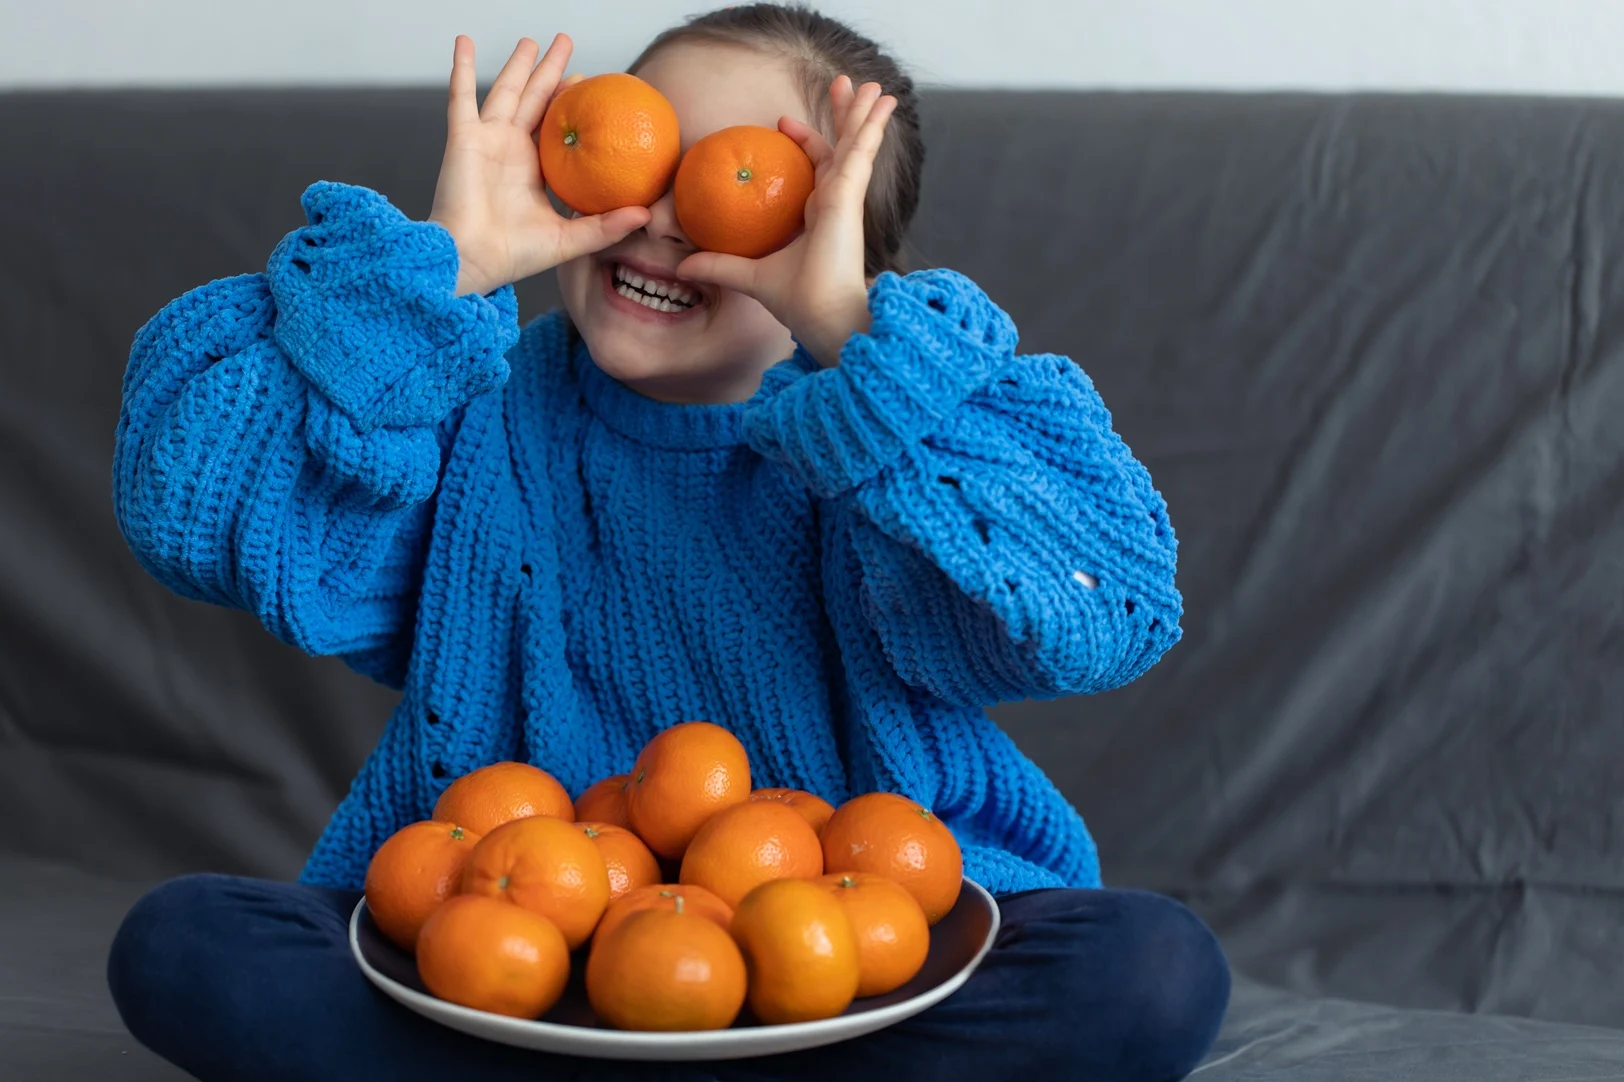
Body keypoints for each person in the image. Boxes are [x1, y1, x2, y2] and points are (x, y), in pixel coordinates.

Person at [105, 5, 1229, 1080]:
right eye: (640, 157)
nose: (662, 219)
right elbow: (186, 506)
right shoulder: (455, 404)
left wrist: (855, 343)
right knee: (189, 945)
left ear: (838, 251)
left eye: (738, 181)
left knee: (1150, 974)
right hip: (505, 940)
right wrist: (434, 275)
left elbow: (1101, 608)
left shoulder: (893, 446)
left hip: (858, 956)